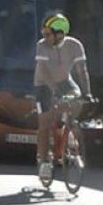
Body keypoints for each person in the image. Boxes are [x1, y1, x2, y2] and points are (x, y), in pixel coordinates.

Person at [33, 13, 93, 182]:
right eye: (43, 34)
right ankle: (44, 162)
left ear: (60, 34)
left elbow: (82, 71)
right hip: (43, 84)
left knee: (77, 98)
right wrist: (55, 90)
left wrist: (87, 92)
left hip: (65, 81)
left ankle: (70, 132)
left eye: (47, 34)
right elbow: (43, 71)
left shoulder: (75, 45)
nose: (44, 38)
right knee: (44, 122)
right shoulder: (42, 45)